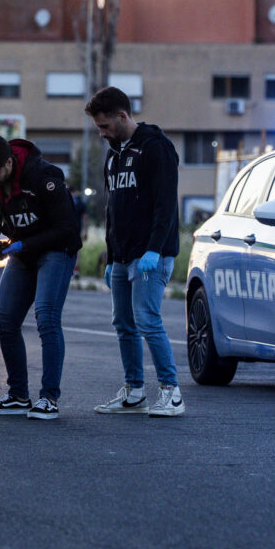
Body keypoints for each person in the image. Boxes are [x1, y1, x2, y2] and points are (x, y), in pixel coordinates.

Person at [84, 87, 185, 417]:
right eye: (98, 127)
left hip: (148, 257)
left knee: (147, 321)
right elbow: (114, 210)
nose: (101, 133)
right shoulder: (114, 154)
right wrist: (111, 258)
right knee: (123, 324)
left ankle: (172, 393)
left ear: (122, 116)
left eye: (104, 126)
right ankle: (134, 391)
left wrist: (155, 249)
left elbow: (165, 204)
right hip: (122, 257)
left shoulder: (156, 148)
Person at [0, 135, 82, 420]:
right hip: (22, 252)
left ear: (9, 162)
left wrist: (21, 245)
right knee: (5, 320)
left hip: (56, 250)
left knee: (46, 317)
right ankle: (18, 395)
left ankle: (49, 399)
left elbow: (67, 228)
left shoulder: (44, 177)